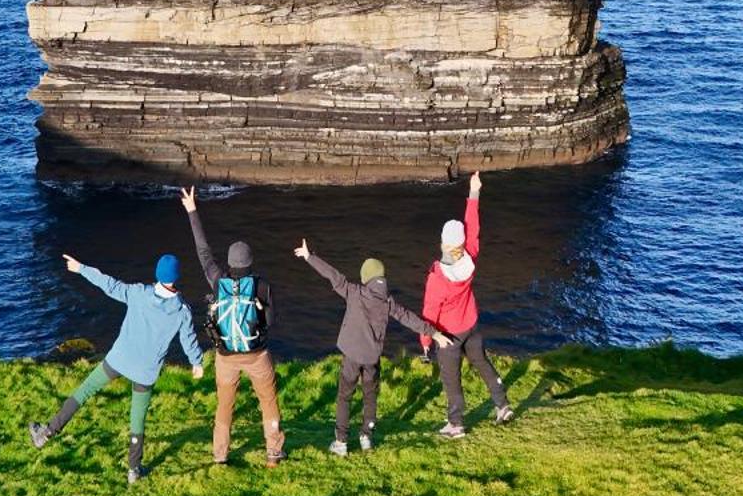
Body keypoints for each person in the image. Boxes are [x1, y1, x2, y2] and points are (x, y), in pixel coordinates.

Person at [29, 250, 205, 483]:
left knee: (84, 391)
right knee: (137, 420)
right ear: (176, 277)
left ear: (157, 274)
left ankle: (46, 433)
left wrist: (81, 269)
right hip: (145, 372)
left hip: (119, 359)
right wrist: (196, 362)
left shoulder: (139, 293)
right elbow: (189, 339)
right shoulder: (182, 311)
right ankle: (133, 470)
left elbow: (110, 285)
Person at [294, 237, 447, 454]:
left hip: (352, 357)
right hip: (372, 359)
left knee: (344, 396)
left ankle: (341, 441)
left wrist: (310, 257)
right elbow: (408, 318)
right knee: (370, 396)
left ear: (366, 278)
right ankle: (366, 435)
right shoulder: (388, 303)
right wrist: (434, 333)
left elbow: (334, 276)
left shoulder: (355, 293)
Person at [180, 187, 285, 467]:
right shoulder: (262, 286)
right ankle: (274, 453)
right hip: (257, 355)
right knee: (268, 402)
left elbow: (203, 253)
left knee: (224, 407)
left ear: (229, 262)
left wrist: (192, 210)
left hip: (225, 357)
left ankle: (220, 456)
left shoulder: (218, 282)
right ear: (250, 262)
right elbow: (272, 322)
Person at [419, 170, 512, 438]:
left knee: (452, 379)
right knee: (482, 362)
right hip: (470, 324)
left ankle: (456, 424)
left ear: (443, 244)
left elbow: (429, 313)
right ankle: (502, 405)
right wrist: (474, 192)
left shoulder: (437, 277)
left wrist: (426, 343)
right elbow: (473, 227)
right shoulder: (470, 257)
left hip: (448, 334)